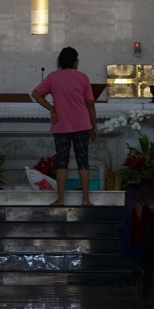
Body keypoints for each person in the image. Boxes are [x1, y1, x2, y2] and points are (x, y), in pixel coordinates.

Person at [32, 47, 98, 206]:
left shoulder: (53, 77)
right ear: (75, 61)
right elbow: (90, 104)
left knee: (62, 162)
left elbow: (36, 94)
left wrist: (51, 108)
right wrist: (94, 127)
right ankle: (85, 200)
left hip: (61, 125)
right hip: (82, 124)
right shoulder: (82, 77)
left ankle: (61, 199)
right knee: (83, 162)